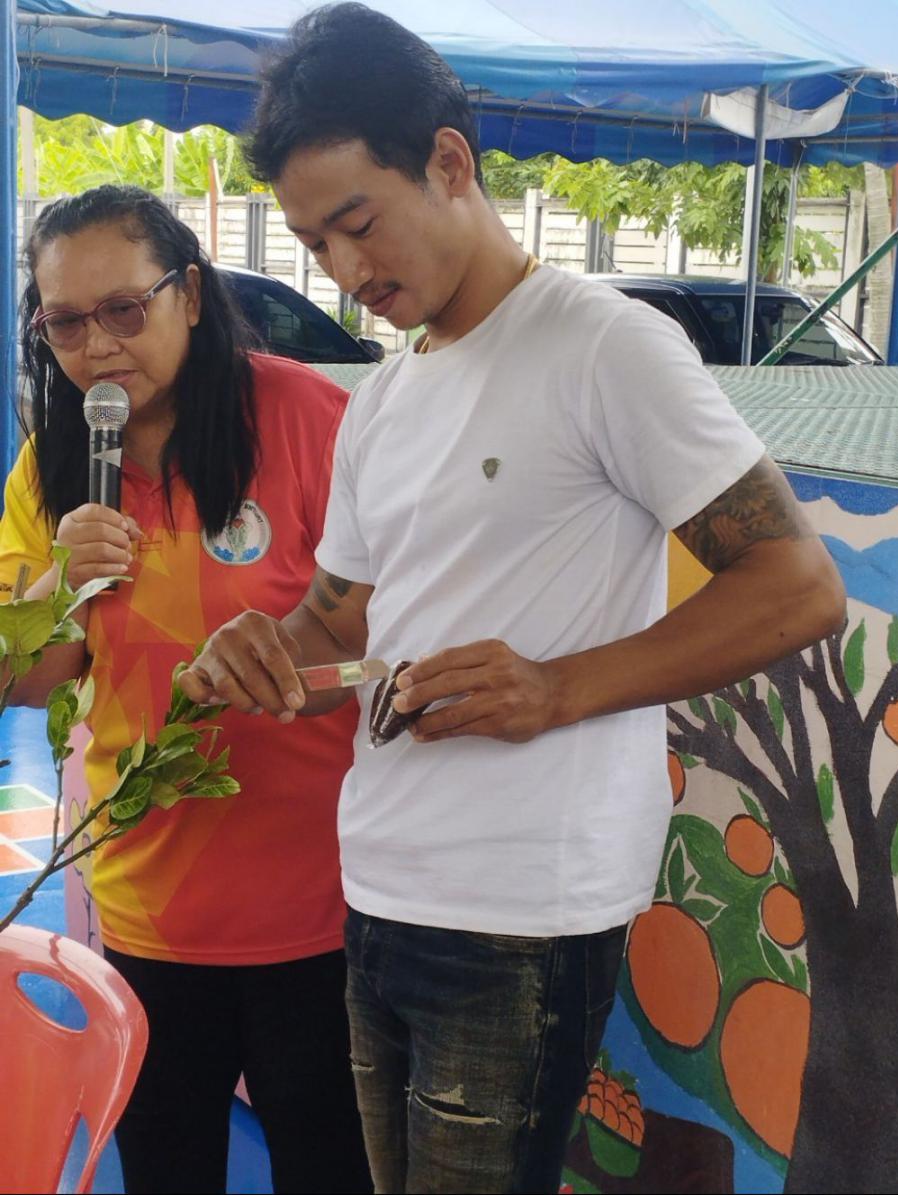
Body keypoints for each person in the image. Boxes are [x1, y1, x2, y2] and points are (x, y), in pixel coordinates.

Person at [179, 6, 847, 1193]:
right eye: (315, 243)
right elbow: (338, 621)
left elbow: (798, 586)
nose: (345, 272)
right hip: (378, 884)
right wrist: (256, 650)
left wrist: (558, 687)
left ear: (449, 162)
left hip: (521, 910)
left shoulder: (605, 346)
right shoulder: (387, 400)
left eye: (358, 225)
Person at [0, 185, 372, 1195]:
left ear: (192, 296)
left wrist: (290, 668)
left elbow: (388, 634)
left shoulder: (308, 418)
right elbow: (27, 680)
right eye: (65, 323)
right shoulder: (52, 465)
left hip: (326, 905)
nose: (98, 347)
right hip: (149, 909)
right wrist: (55, 589)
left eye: (125, 309)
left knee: (332, 1168)